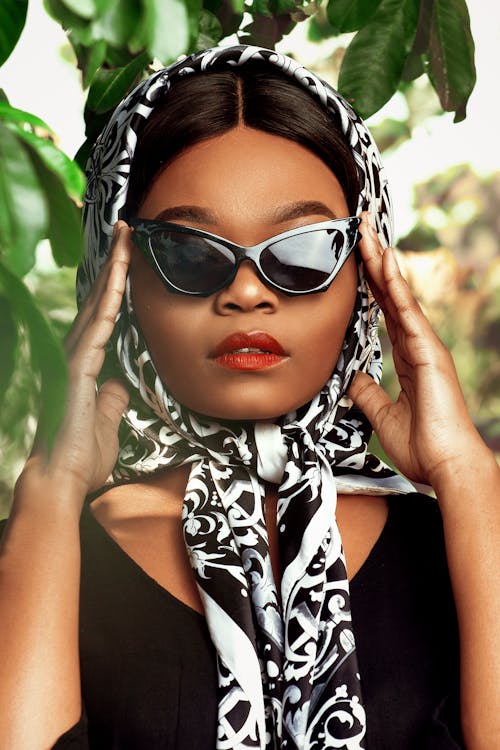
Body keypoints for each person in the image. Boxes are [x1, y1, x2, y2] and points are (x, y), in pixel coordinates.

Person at [0, 45, 498, 750]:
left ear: (369, 274)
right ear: (121, 280)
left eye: (303, 251)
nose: (246, 291)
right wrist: (49, 495)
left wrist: (467, 475)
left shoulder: (457, 545)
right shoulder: (47, 554)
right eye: (190, 253)